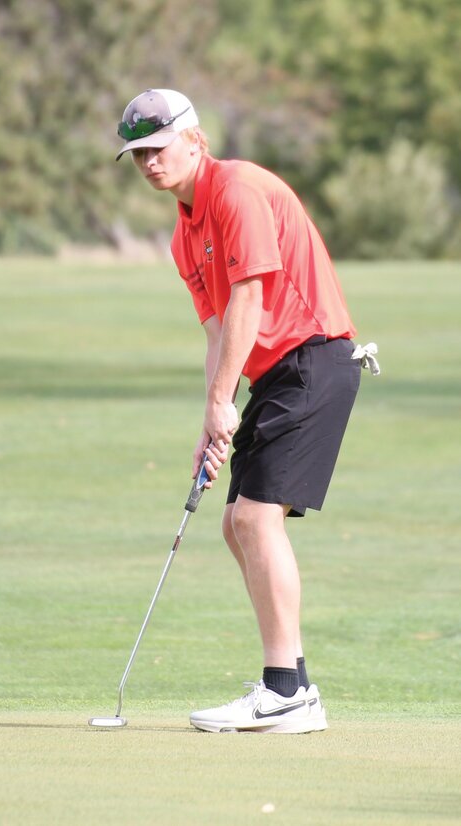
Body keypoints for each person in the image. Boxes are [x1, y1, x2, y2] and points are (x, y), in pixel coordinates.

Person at [116, 88, 378, 733]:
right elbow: (216, 332)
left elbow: (250, 301)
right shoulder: (184, 232)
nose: (149, 162)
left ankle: (285, 690)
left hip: (315, 359)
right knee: (237, 523)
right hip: (275, 375)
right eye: (137, 153)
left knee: (257, 519)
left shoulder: (233, 191)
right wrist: (214, 417)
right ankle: (293, 682)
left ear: (195, 140)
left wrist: (220, 403)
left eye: (158, 147)